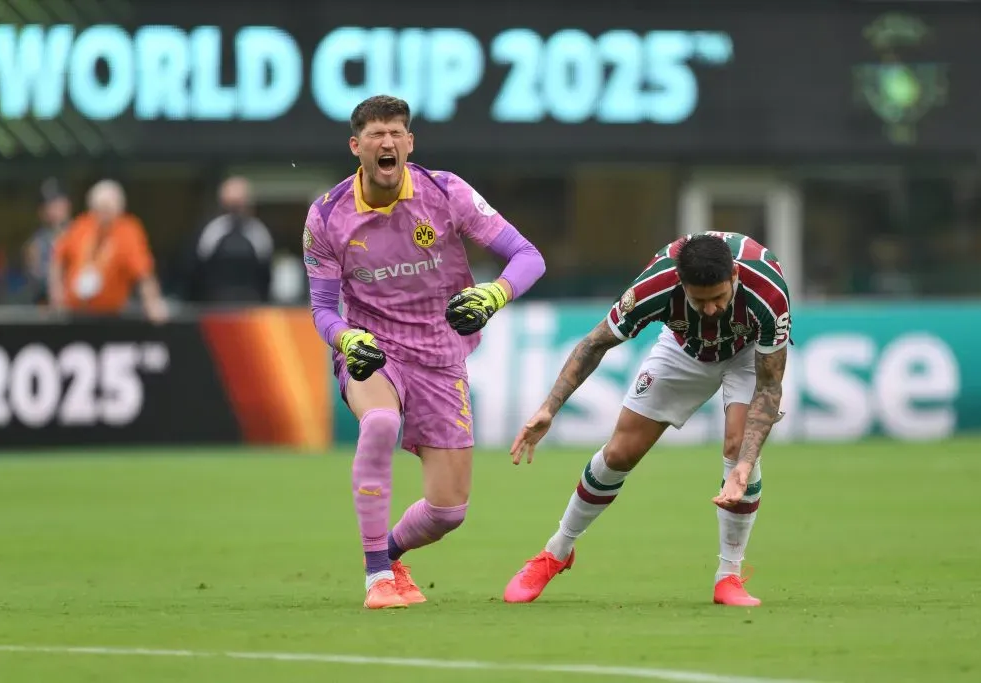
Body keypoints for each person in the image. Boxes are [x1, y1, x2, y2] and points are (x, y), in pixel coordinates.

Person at [304, 95, 546, 609]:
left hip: (440, 354)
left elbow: (528, 256)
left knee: (447, 512)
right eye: (375, 134)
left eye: (396, 133)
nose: (387, 142)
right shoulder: (326, 216)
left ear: (410, 143)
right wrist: (346, 338)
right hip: (374, 350)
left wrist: (493, 294)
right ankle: (376, 580)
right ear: (356, 146)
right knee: (379, 424)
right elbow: (323, 311)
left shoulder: (446, 192)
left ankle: (389, 554)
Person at [503, 231, 791, 607]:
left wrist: (747, 463)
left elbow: (769, 388)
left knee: (738, 450)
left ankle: (729, 577)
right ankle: (556, 551)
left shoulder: (768, 291)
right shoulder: (655, 285)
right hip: (683, 350)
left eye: (719, 298)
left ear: (735, 275)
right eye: (698, 300)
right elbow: (595, 343)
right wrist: (549, 408)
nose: (709, 310)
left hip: (745, 353)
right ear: (680, 282)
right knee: (620, 452)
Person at [48, 179, 168, 323]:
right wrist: (56, 293)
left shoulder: (128, 231)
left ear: (119, 209)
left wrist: (152, 303)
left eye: (108, 209)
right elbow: (58, 259)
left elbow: (144, 273)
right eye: (98, 209)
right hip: (74, 314)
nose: (102, 215)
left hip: (109, 317)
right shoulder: (83, 225)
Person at [181, 176, 275, 304]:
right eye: (231, 205)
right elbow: (194, 270)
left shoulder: (259, 231)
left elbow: (267, 272)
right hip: (214, 306)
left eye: (239, 204)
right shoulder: (210, 231)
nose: (235, 211)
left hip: (252, 306)